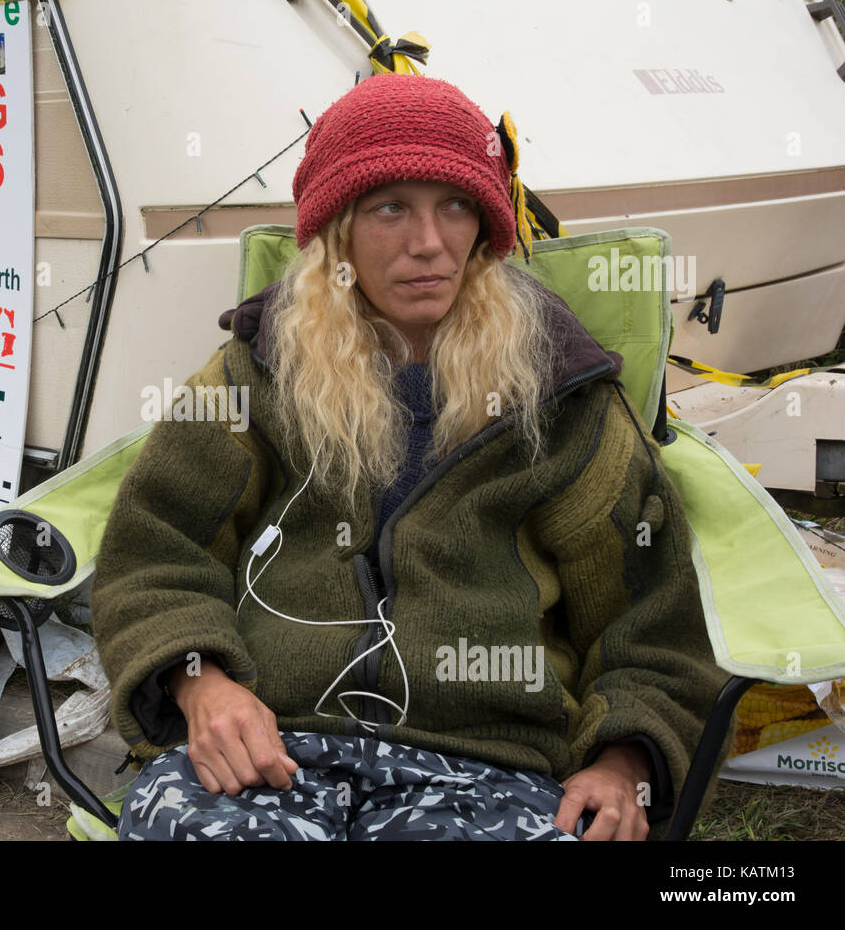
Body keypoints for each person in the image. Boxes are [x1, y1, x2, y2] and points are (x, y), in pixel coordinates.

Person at [89, 74, 727, 841]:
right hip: (274, 740)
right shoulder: (256, 374)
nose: (429, 243)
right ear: (337, 232)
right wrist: (201, 682)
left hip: (488, 764)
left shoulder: (562, 395)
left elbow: (650, 622)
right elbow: (156, 551)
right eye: (391, 207)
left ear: (485, 228)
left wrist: (625, 761)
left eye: (455, 205)